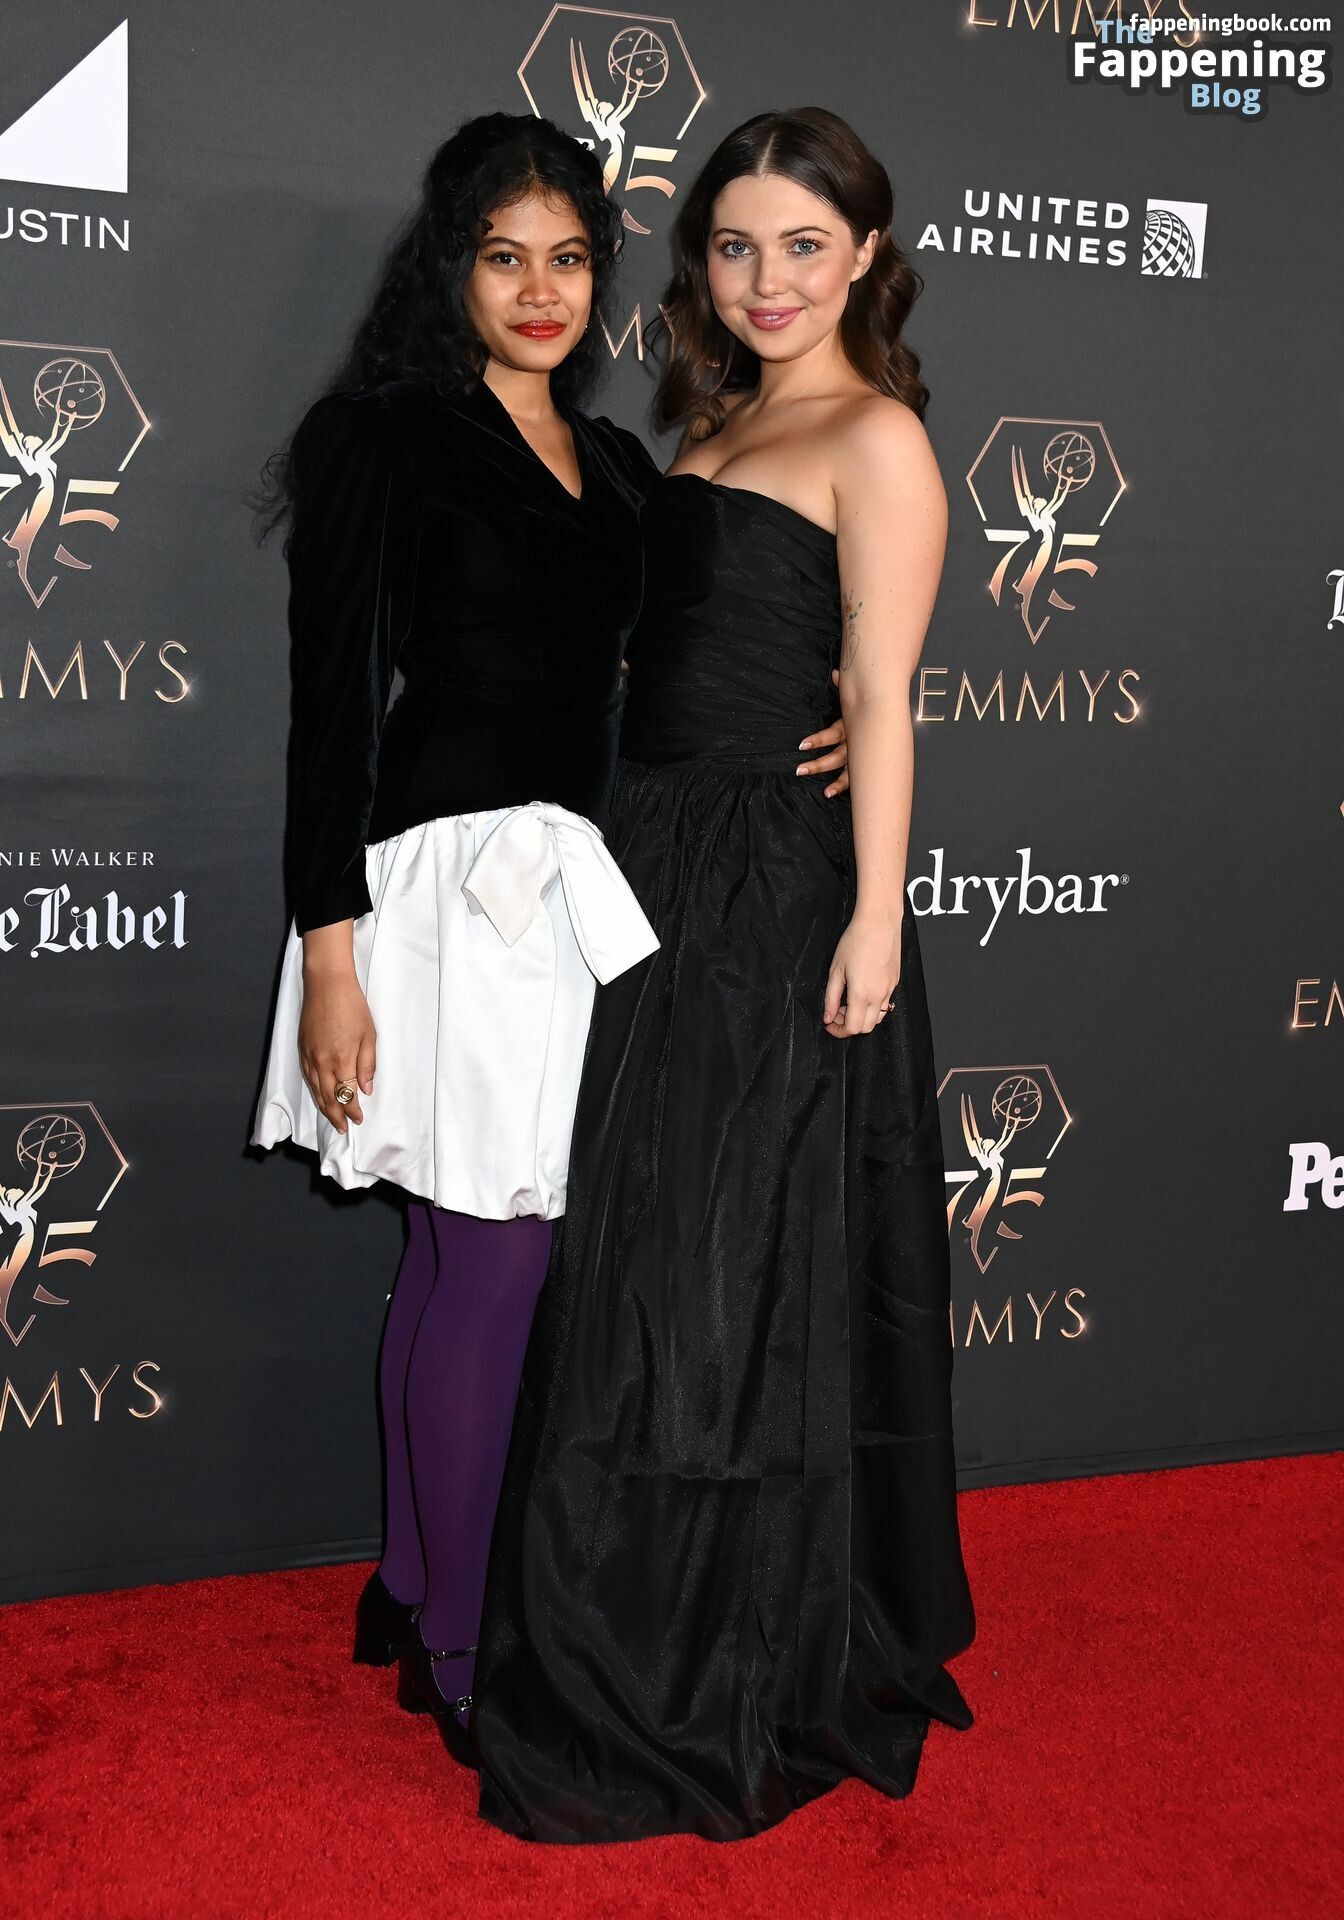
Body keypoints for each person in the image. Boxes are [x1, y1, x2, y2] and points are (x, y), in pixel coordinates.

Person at [249, 113, 849, 1761]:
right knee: (494, 1258)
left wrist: (842, 710)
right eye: (504, 256)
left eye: (570, 258)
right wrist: (330, 956)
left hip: (569, 898)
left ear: (601, 278)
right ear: (451, 266)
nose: (539, 289)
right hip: (431, 900)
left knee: (461, 1258)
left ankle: (405, 1586)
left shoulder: (624, 472)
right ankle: (461, 1643)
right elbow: (329, 711)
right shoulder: (383, 438)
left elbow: (695, 654)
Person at [473, 106, 976, 1842]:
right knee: (634, 1248)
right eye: (740, 245)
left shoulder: (879, 436)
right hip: (650, 861)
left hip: (772, 890)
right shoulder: (712, 421)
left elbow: (883, 695)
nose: (770, 279)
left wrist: (876, 916)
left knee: (728, 1263)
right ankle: (616, 1618)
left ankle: (725, 1648)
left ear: (866, 256)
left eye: (805, 246)